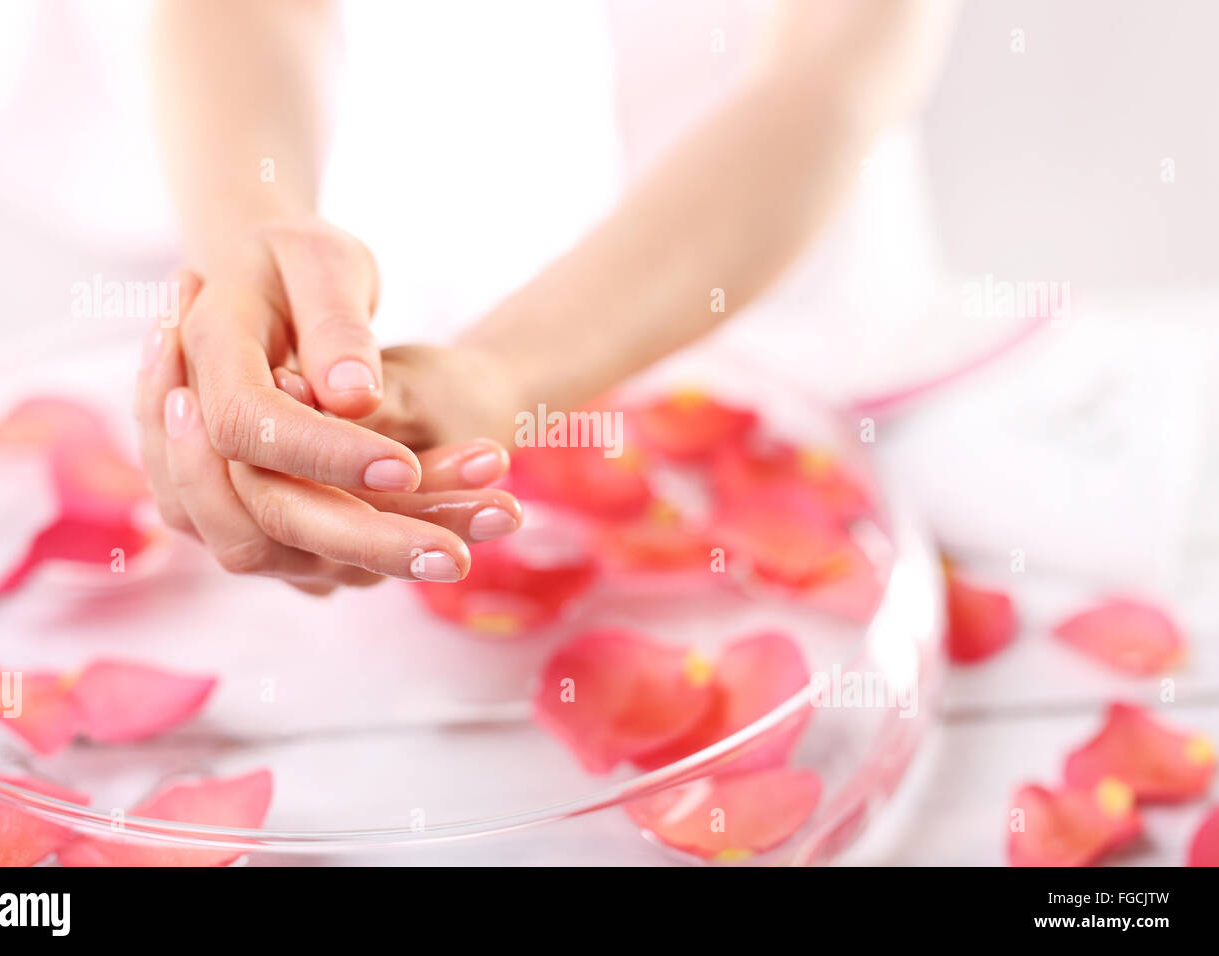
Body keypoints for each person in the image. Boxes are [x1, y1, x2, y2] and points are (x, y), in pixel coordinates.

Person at [136, 0, 956, 594]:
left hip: (778, 281)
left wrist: (501, 380)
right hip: (398, 267)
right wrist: (255, 250)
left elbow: (835, 64)